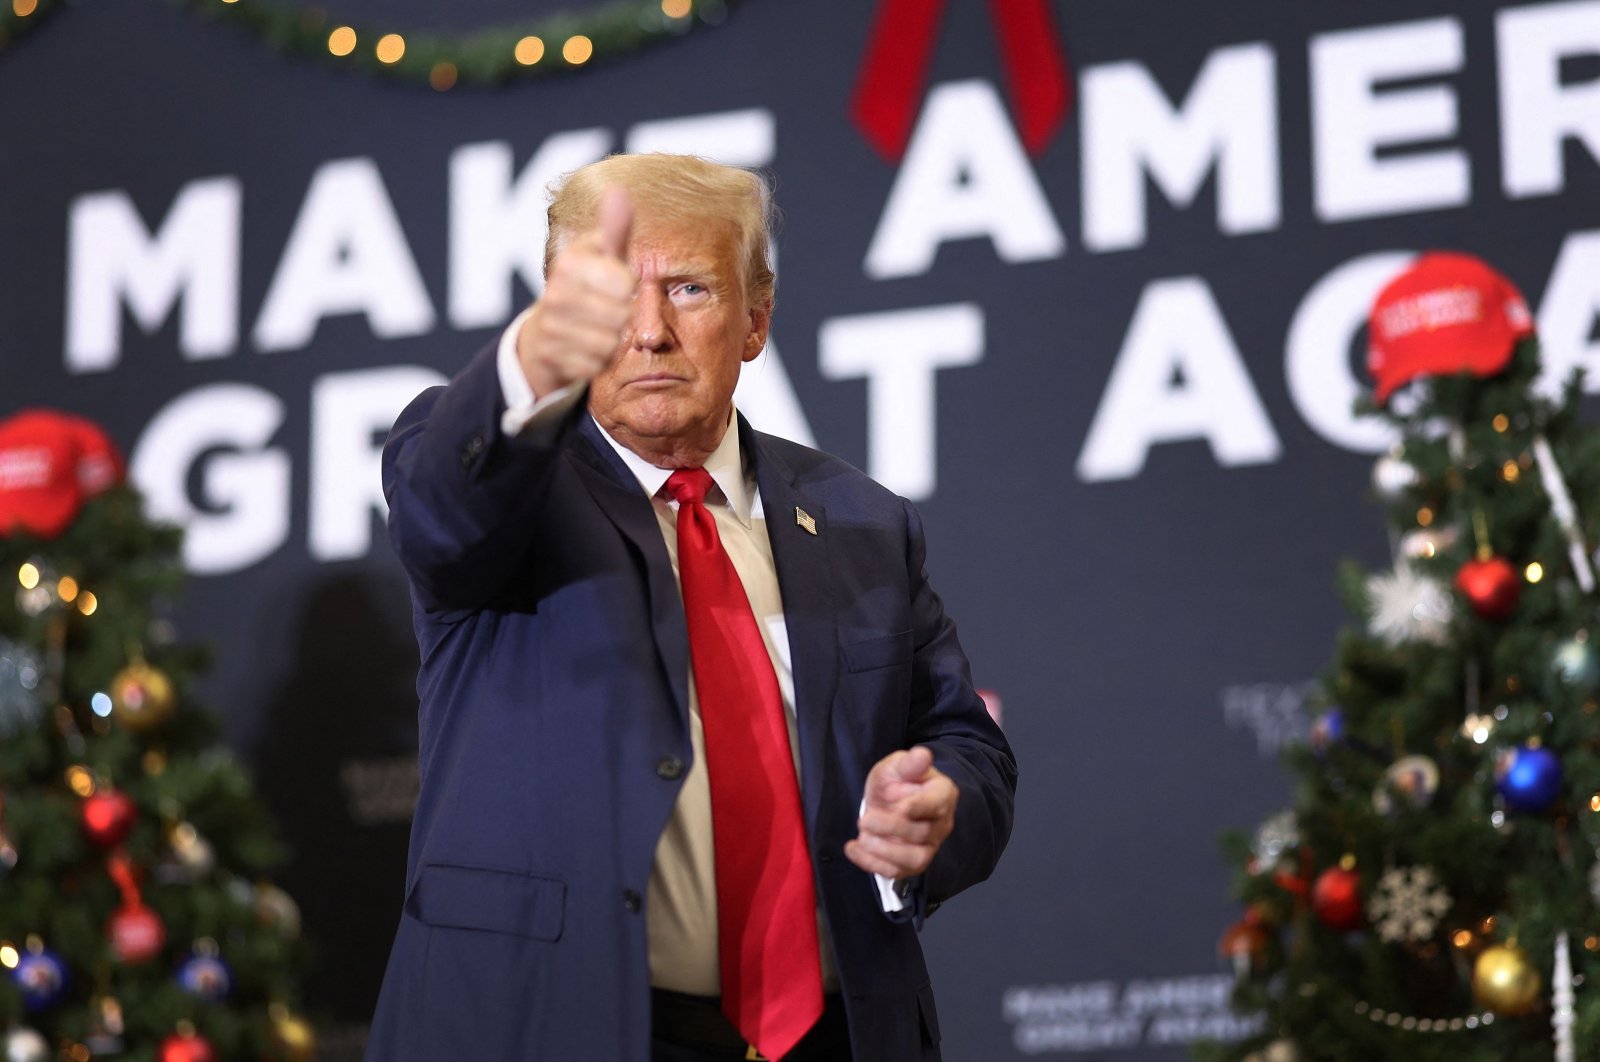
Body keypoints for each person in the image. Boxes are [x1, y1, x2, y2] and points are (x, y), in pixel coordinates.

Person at [369, 153, 1016, 1062]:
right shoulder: (504, 476)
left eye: (689, 290)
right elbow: (443, 512)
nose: (649, 332)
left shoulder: (861, 520)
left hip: (838, 1032)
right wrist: (528, 366)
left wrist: (940, 803)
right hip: (556, 1026)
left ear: (756, 320)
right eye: (609, 298)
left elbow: (965, 742)